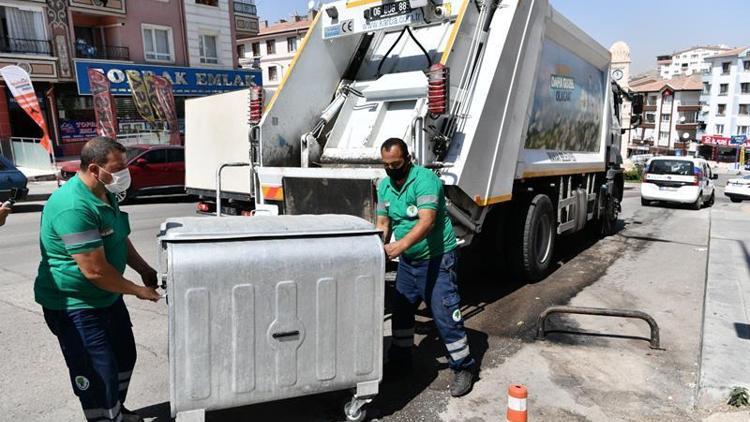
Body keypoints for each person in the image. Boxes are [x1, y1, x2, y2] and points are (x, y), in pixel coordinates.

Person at [35, 137, 161, 422]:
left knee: (125, 357)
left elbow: (118, 237)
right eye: (117, 168)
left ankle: (117, 411)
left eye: (124, 165)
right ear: (94, 168)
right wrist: (138, 290)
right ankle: (104, 417)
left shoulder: (104, 192)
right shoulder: (73, 207)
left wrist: (143, 268)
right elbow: (95, 271)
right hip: (75, 306)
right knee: (97, 375)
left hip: (107, 297)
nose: (124, 172)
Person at [376, 137, 476, 397]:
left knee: (445, 314)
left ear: (408, 159)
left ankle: (463, 366)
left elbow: (427, 221)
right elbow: (383, 222)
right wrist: (378, 246)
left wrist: (398, 247)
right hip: (409, 262)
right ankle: (400, 363)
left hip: (437, 258)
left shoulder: (425, 180)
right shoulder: (384, 186)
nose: (391, 169)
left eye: (396, 164)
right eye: (386, 165)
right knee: (401, 313)